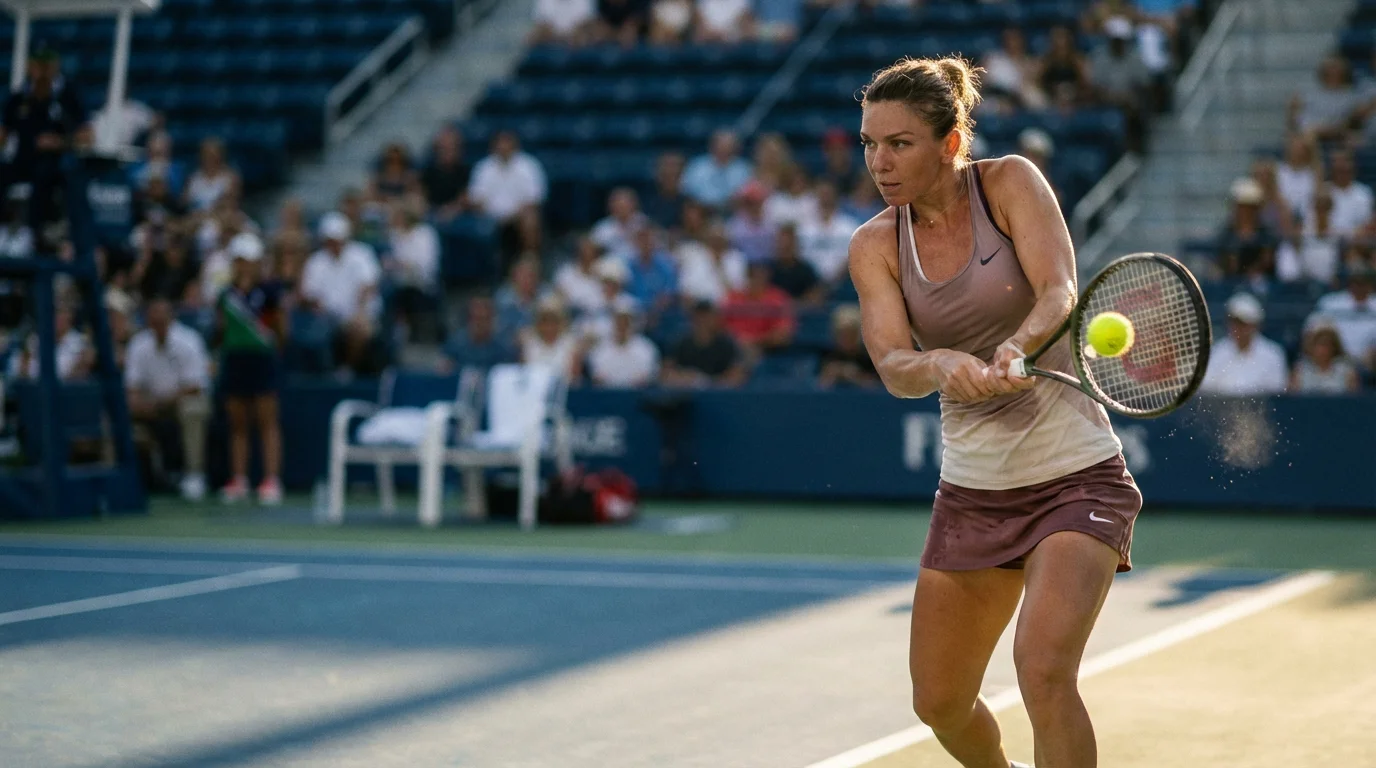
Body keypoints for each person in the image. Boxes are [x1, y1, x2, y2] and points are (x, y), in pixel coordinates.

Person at [848, 56, 1142, 768]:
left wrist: (1015, 347)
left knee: (1042, 671)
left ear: (950, 143)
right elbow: (893, 365)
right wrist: (939, 364)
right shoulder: (874, 245)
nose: (879, 162)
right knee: (939, 703)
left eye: (899, 143)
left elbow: (1060, 291)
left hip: (1074, 474)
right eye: (869, 144)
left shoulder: (1009, 183)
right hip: (974, 491)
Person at [214, 232, 286, 505]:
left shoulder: (269, 292)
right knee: (238, 423)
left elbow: (280, 328)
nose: (245, 266)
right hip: (235, 359)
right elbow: (220, 328)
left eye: (250, 261)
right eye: (240, 260)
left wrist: (272, 349)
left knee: (267, 421)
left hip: (262, 359)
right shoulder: (226, 294)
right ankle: (239, 478)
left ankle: (271, 479)